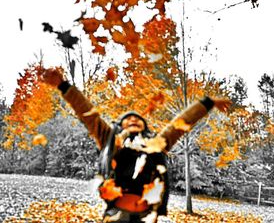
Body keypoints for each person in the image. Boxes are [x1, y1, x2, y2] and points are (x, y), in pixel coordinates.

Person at [42, 68, 231, 223]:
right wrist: (63, 85)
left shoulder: (155, 144)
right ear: (119, 126)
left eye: (138, 119)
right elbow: (86, 112)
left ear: (145, 127)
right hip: (116, 215)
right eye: (127, 119)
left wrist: (207, 102)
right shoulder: (110, 138)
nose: (133, 119)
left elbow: (180, 123)